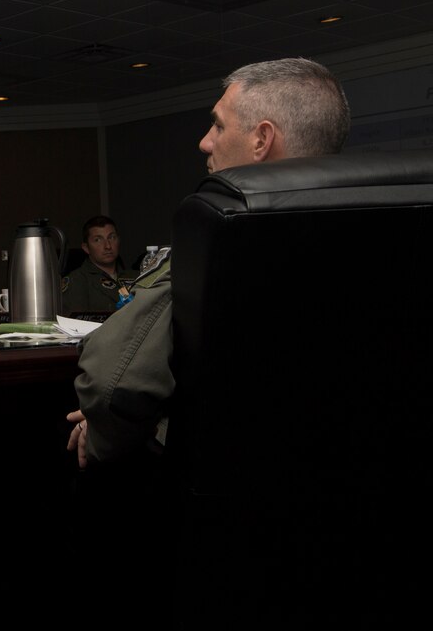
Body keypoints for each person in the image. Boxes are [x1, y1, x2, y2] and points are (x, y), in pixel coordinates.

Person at [66, 57, 351, 468]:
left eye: (217, 125)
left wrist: (100, 435)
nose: (204, 142)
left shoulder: (213, 239)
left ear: (262, 139)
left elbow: (113, 383)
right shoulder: (383, 229)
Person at [60, 215, 137, 314]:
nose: (108, 246)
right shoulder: (77, 281)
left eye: (112, 237)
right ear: (86, 248)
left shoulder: (138, 277)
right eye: (98, 240)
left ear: (119, 240)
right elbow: (75, 321)